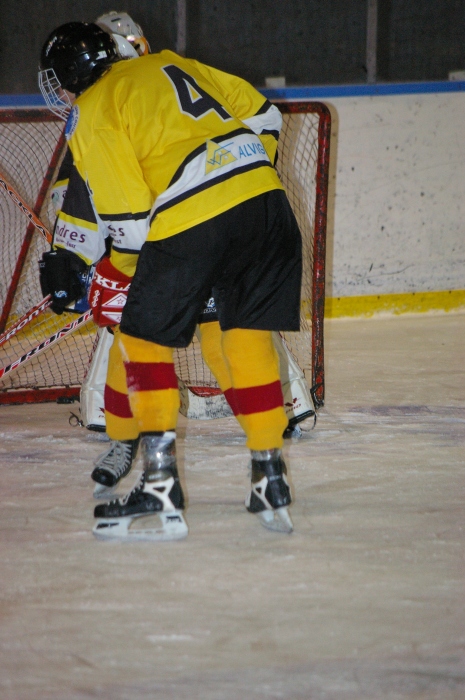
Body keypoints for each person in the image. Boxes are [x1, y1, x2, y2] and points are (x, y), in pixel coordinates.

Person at [38, 21, 303, 541]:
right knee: (245, 339)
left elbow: (132, 225)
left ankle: (159, 486)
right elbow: (264, 113)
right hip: (268, 206)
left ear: (71, 77)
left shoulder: (92, 109)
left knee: (140, 340)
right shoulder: (170, 63)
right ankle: (269, 477)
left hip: (194, 218)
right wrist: (235, 176)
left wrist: (114, 274)